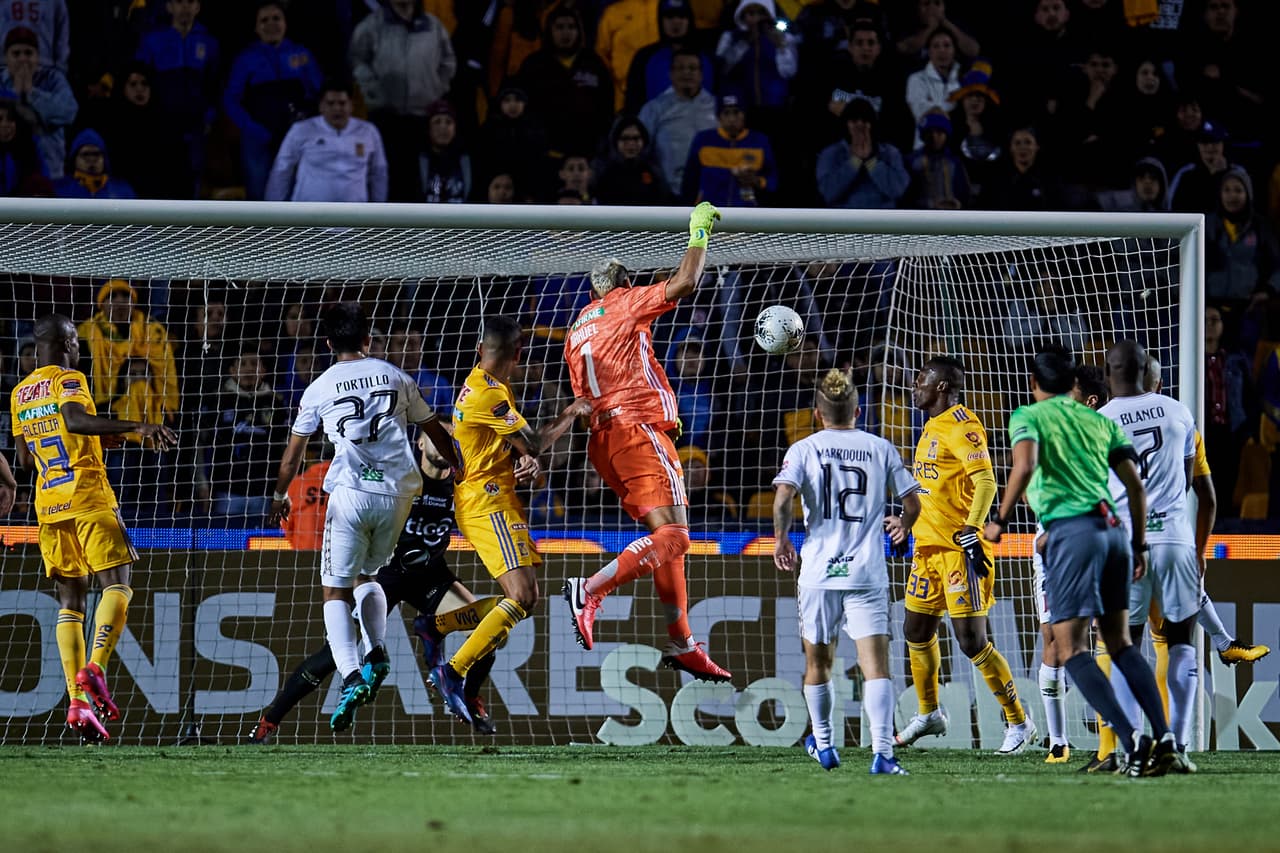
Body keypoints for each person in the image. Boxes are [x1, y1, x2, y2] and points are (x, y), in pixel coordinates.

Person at [984, 343, 1181, 777]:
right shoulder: (1097, 419)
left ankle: (1131, 741)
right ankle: (1165, 735)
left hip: (1071, 534)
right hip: (1115, 534)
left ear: (1034, 383)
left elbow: (1025, 465)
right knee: (1121, 644)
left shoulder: (1028, 417)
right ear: (1071, 380)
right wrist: (1140, 544)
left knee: (1070, 648)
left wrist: (999, 521)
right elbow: (1135, 488)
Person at [562, 202, 734, 683]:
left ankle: (682, 641)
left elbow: (582, 398)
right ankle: (590, 589)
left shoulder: (576, 329)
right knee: (677, 537)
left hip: (605, 440)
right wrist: (698, 233)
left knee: (670, 540)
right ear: (621, 284)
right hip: (638, 427)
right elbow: (685, 283)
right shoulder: (625, 301)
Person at [266, 302, 458, 732]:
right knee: (368, 576)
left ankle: (352, 674)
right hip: (400, 493)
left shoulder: (318, 388)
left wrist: (280, 495)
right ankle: (376, 651)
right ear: (369, 340)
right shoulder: (396, 376)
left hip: (351, 492)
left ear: (329, 343)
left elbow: (292, 456)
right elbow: (434, 430)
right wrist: (457, 464)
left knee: (335, 591)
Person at [251, 433, 501, 743]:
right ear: (420, 443)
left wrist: (522, 469)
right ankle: (269, 720)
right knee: (334, 653)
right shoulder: (400, 474)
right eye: (436, 435)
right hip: (385, 575)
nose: (443, 441)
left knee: (489, 633)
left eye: (449, 437)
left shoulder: (464, 482)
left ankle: (469, 698)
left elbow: (496, 485)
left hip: (431, 576)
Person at [10, 313, 177, 741]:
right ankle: (96, 668)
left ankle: (78, 705)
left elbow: (27, 460)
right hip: (88, 497)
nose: (80, 348)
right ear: (66, 342)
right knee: (118, 584)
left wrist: (100, 438)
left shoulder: (20, 393)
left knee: (71, 601)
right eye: (76, 342)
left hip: (50, 506)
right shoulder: (69, 379)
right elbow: (74, 421)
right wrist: (136, 425)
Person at [431, 316, 590, 724]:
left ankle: (438, 626)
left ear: (481, 350)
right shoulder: (490, 395)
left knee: (523, 598)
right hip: (488, 503)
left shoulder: (481, 383)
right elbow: (535, 441)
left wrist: (515, 458)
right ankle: (451, 671)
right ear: (518, 353)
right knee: (521, 597)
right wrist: (572, 411)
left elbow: (503, 443)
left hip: (490, 496)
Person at [773, 368, 921, 774]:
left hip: (819, 572)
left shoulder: (805, 449)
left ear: (818, 414)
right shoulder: (880, 448)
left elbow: (784, 496)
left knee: (818, 663)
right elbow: (912, 502)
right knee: (876, 666)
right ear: (858, 409)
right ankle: (883, 755)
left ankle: (824, 746)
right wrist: (903, 525)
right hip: (866, 572)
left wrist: (781, 539)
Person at [895, 357, 1036, 755]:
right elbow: (931, 486)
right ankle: (929, 713)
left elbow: (987, 481)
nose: (914, 384)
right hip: (926, 550)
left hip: (959, 553)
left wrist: (972, 529)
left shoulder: (962, 426)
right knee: (915, 630)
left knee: (972, 642)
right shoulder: (930, 426)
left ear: (942, 387)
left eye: (921, 377)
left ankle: (1019, 722)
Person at [349, 0, 455, 202]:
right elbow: (357, 59)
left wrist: (436, 89)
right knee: (387, 176)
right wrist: (373, 91)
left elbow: (448, 62)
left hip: (423, 116)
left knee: (419, 179)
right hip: (385, 116)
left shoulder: (433, 26)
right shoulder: (373, 24)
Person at [223, 1, 322, 200]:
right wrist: (253, 130)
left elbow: (318, 93)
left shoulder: (301, 55)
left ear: (285, 23)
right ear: (256, 27)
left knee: (299, 192)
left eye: (276, 18)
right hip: (258, 138)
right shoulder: (246, 59)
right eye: (264, 20)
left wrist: (306, 125)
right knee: (259, 193)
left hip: (296, 137)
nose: (271, 24)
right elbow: (230, 100)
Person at [135, 0, 220, 198]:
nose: (185, 8)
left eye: (190, 2)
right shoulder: (153, 41)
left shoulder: (209, 43)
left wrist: (209, 116)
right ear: (169, 7)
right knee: (160, 171)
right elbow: (140, 77)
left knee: (194, 174)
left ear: (198, 7)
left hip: (196, 124)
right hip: (161, 122)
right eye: (179, 2)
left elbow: (215, 84)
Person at [265, 81, 389, 203]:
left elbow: (379, 173)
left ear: (351, 105)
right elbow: (282, 170)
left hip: (354, 216)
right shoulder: (302, 130)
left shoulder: (368, 132)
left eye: (342, 103)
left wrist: (379, 211)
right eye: (330, 103)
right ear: (321, 106)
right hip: (308, 216)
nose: (337, 109)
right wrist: (272, 211)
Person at [77, 279, 179, 421]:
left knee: (140, 388)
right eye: (112, 296)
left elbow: (167, 372)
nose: (120, 302)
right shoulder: (86, 334)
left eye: (126, 296)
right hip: (106, 408)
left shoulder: (154, 331)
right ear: (101, 304)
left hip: (153, 404)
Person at [637, 48, 717, 194]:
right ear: (671, 73)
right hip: (667, 194)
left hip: (712, 192)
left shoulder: (716, 107)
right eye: (680, 68)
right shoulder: (654, 109)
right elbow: (641, 152)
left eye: (692, 68)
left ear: (701, 74)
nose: (687, 73)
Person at [0, 26, 76, 180]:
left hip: (51, 174)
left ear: (38, 57)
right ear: (6, 58)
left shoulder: (53, 78)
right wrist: (15, 94)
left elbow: (69, 111)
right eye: (16, 54)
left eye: (28, 53)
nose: (23, 59)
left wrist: (32, 93)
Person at [682, 93, 776, 207]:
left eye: (736, 112)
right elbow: (689, 181)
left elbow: (773, 180)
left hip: (747, 213)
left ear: (744, 115)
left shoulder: (759, 141)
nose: (731, 119)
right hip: (708, 213)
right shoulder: (704, 140)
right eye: (726, 113)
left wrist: (756, 181)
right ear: (718, 117)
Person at [815, 97, 908, 210]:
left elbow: (898, 190)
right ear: (845, 123)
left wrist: (871, 161)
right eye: (854, 121)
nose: (860, 126)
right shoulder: (831, 154)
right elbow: (827, 193)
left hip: (882, 221)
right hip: (844, 221)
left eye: (865, 120)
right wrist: (854, 162)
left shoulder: (890, 153)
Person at [903, 26, 960, 149]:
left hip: (954, 150)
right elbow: (919, 111)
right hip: (922, 150)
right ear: (928, 51)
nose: (942, 51)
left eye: (946, 45)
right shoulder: (916, 79)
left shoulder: (963, 78)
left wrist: (933, 108)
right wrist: (952, 115)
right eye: (936, 46)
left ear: (954, 50)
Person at [53, 129, 136, 199]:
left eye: (96, 154)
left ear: (105, 158)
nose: (92, 159)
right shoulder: (59, 190)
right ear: (74, 158)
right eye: (85, 154)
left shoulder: (123, 191)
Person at [418, 99, 471, 204]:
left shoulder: (466, 160)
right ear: (428, 127)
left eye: (448, 122)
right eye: (437, 122)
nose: (443, 127)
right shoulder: (418, 160)